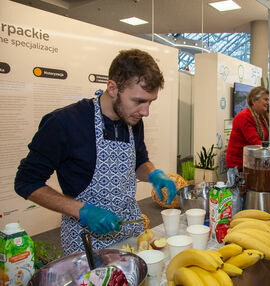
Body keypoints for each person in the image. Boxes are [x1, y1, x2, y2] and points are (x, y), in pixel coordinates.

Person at [14, 49, 177, 255]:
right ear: (112, 88)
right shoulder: (64, 123)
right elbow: (26, 182)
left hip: (130, 231)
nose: (145, 112)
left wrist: (153, 174)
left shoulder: (133, 121)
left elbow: (139, 162)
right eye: (138, 101)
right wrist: (82, 211)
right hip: (86, 241)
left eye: (150, 102)